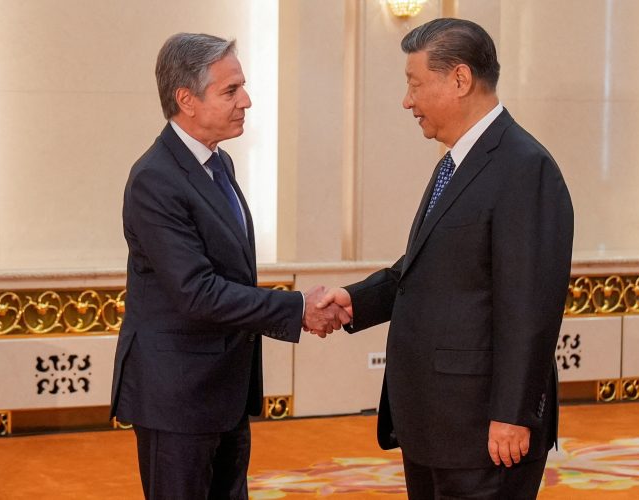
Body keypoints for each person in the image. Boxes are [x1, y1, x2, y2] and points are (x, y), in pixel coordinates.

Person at [317, 18, 574, 499]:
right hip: (437, 426)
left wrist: (513, 415)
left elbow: (530, 310)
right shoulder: (454, 164)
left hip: (486, 433)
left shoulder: (525, 167)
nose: (406, 101)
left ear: (459, 80)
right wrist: (355, 300)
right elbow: (422, 268)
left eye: (414, 84)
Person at [110, 33, 349, 500]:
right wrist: (299, 308)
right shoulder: (155, 179)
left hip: (224, 391)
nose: (247, 101)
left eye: (242, 87)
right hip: (177, 396)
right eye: (230, 90)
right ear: (186, 100)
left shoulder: (220, 166)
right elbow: (196, 291)